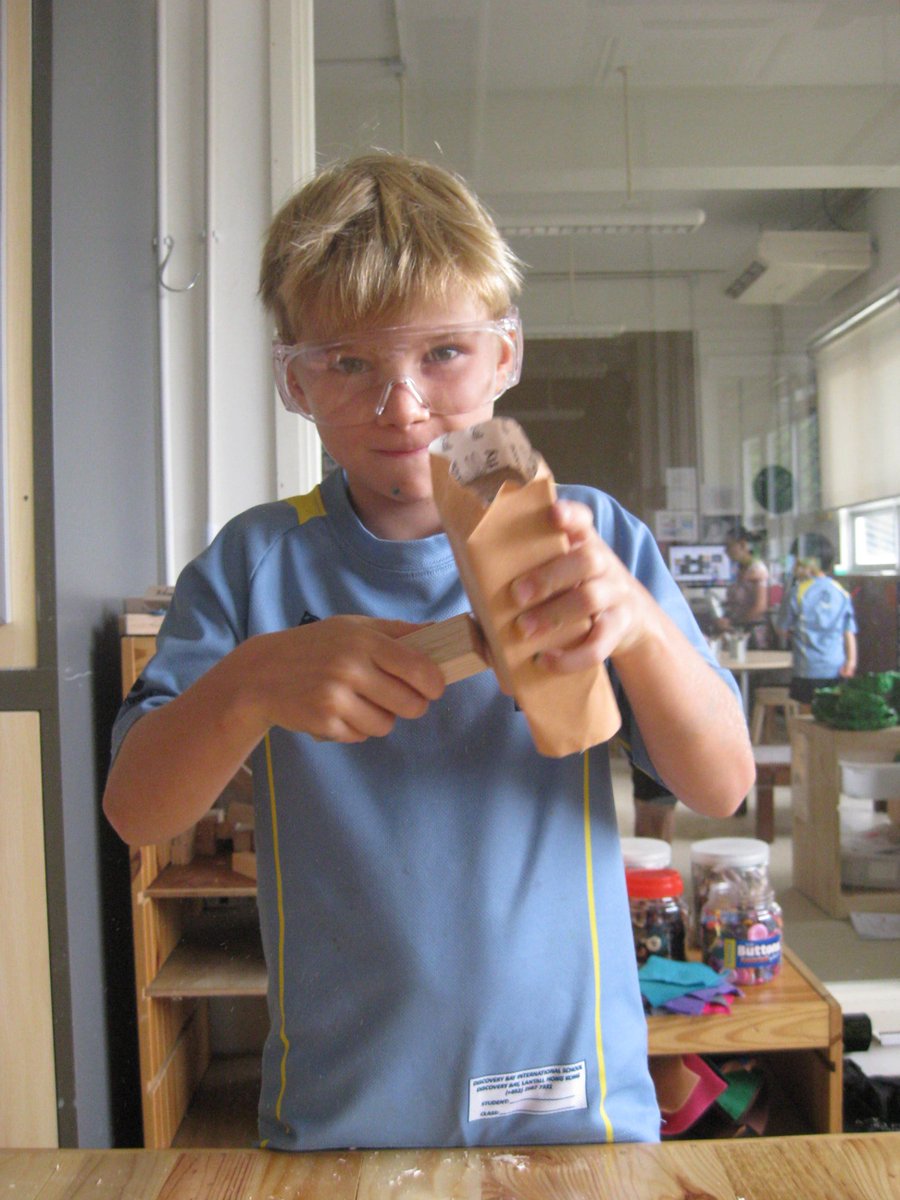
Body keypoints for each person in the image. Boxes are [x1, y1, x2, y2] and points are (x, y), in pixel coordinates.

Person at [103, 152, 753, 1151]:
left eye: (443, 352)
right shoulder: (257, 564)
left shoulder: (594, 540)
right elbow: (136, 808)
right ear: (295, 381)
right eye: (350, 362)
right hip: (345, 1106)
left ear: (506, 356)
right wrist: (249, 684)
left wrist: (641, 627)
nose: (401, 405)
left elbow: (720, 785)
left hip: (572, 1098)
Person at [778, 540, 857, 707]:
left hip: (807, 670)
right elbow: (848, 631)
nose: (793, 567)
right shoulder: (841, 592)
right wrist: (851, 661)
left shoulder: (796, 592)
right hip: (836, 668)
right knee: (831, 715)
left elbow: (782, 630)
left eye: (795, 561)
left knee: (805, 718)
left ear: (810, 563)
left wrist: (795, 633)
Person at [716, 527, 772, 649]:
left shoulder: (757, 570)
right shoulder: (740, 569)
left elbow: (760, 607)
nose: (726, 551)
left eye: (729, 546)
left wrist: (734, 623)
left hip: (752, 634)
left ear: (742, 544)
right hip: (737, 631)